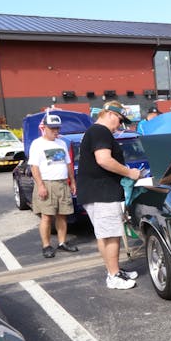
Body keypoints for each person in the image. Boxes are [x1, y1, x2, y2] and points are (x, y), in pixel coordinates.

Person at [77, 101, 142, 290]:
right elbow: (104, 160)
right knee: (112, 235)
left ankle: (113, 270)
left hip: (96, 191)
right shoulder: (101, 131)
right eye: (120, 120)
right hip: (102, 192)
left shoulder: (94, 131)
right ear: (111, 114)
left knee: (104, 234)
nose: (119, 126)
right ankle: (114, 276)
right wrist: (130, 173)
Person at [28, 113, 78, 258]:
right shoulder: (37, 144)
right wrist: (40, 185)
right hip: (47, 184)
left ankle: (62, 243)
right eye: (52, 128)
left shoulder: (61, 143)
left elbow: (68, 163)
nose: (56, 131)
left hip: (62, 183)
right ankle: (46, 246)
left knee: (62, 215)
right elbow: (34, 167)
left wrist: (72, 181)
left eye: (57, 128)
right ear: (44, 128)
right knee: (47, 217)